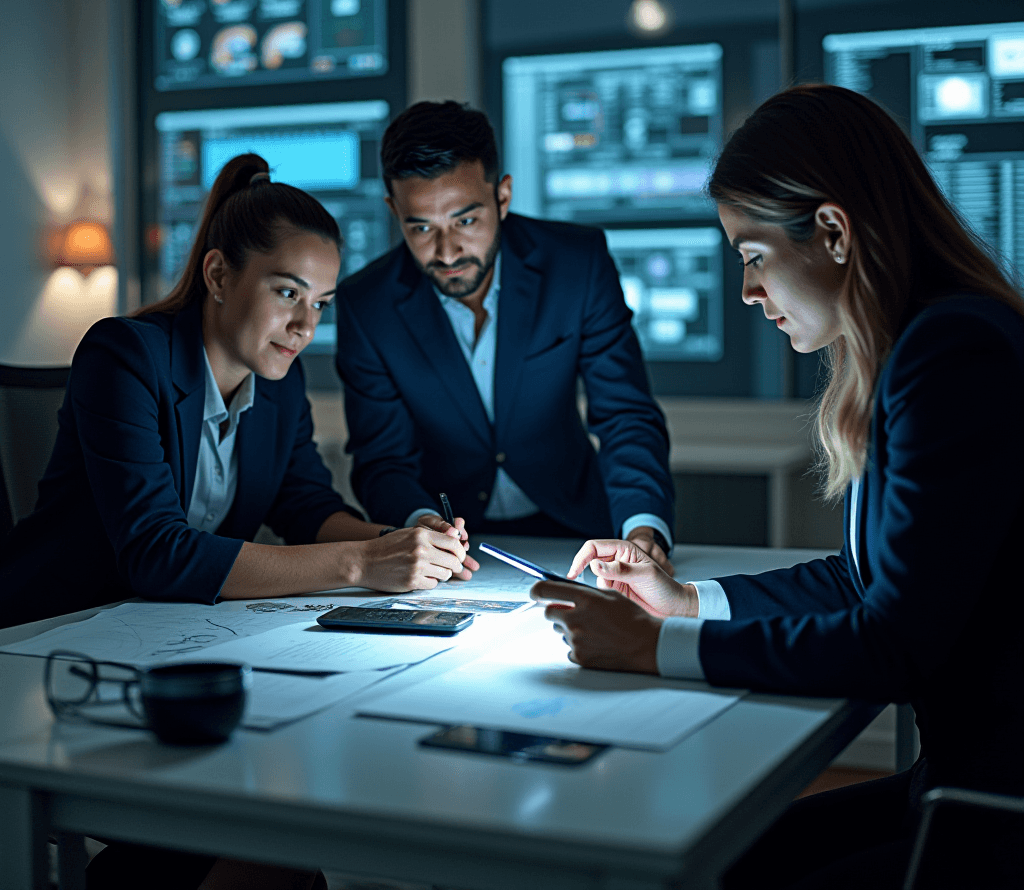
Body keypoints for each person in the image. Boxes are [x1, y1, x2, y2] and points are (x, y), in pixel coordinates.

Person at [532, 85, 1024, 889]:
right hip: (962, 783)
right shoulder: (922, 345)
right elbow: (858, 580)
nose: (748, 292)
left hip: (989, 813)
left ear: (831, 231)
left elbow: (894, 646)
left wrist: (656, 648)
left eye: (753, 256)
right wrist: (686, 602)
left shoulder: (952, 355)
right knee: (727, 856)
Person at [0, 152, 474, 630]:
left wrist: (403, 540)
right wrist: (363, 562)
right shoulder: (124, 356)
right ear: (219, 276)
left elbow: (307, 508)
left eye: (320, 304)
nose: (304, 327)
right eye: (288, 293)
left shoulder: (280, 385)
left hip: (170, 629)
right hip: (54, 626)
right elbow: (154, 551)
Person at [334, 100, 675, 569]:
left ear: (503, 196)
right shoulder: (366, 305)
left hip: (578, 530)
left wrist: (641, 527)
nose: (447, 251)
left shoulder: (577, 264)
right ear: (394, 211)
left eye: (465, 220)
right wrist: (420, 522)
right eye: (421, 228)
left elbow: (625, 414)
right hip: (452, 553)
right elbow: (382, 459)